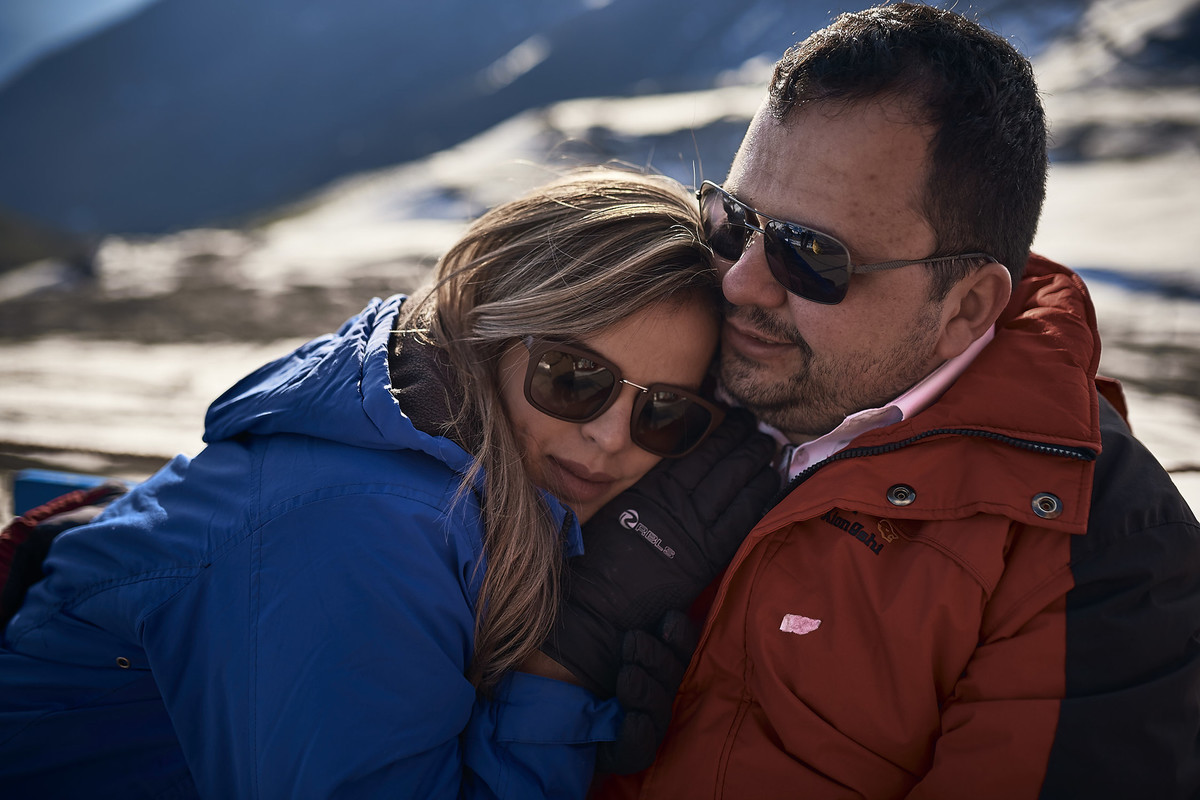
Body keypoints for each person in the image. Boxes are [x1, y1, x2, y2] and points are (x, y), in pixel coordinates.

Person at [0, 167, 778, 798]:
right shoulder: (361, 526)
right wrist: (564, 664)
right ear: (484, 331)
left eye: (665, 415)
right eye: (573, 378)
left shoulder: (427, 437)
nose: (611, 437)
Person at [588, 3, 1200, 798]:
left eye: (810, 255)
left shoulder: (1109, 566)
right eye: (733, 220)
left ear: (969, 307)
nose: (739, 281)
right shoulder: (661, 365)